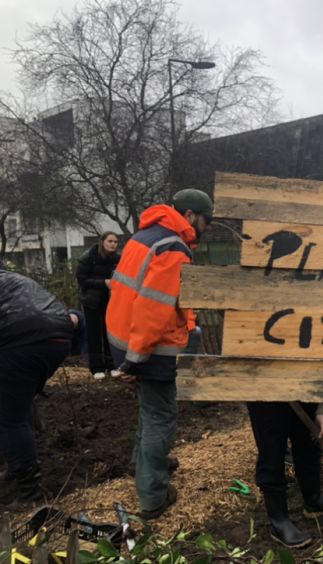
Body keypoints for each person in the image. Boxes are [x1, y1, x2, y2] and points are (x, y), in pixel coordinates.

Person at [106, 189, 212, 520]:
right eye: (206, 220)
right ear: (190, 215)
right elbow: (154, 309)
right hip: (151, 349)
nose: (208, 228)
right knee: (161, 415)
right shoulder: (173, 248)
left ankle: (144, 464)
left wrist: (129, 356)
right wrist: (135, 361)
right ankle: (153, 496)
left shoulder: (144, 237)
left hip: (124, 338)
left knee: (149, 409)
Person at [0, 271, 73, 506]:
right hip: (59, 335)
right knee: (17, 405)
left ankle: (30, 491)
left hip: (24, 340)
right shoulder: (9, 277)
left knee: (9, 417)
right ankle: (17, 465)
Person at [247, 400, 323, 548]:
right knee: (272, 454)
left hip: (304, 394)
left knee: (308, 442)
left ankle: (314, 500)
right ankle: (279, 522)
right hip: (267, 399)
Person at [77, 231, 121, 380]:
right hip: (91, 300)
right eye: (110, 241)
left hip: (111, 300)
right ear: (102, 242)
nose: (113, 244)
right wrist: (103, 283)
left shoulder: (118, 259)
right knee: (94, 334)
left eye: (115, 242)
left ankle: (112, 365)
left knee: (110, 333)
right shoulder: (88, 257)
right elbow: (82, 279)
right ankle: (96, 367)